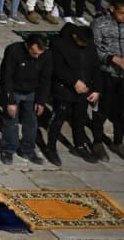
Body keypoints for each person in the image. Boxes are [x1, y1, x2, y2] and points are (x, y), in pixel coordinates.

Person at [91, 0, 124, 162]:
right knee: (102, 109)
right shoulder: (99, 24)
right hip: (106, 74)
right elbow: (94, 49)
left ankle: (118, 142)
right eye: (121, 13)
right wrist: (114, 59)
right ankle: (97, 142)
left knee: (121, 110)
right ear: (112, 9)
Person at [44, 22, 101, 166]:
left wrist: (96, 90)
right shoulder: (59, 45)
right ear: (74, 36)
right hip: (64, 90)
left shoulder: (89, 46)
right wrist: (74, 81)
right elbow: (57, 67)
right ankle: (51, 148)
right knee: (58, 119)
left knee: (80, 119)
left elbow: (95, 68)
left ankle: (79, 145)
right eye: (81, 42)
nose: (83, 45)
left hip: (84, 92)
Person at [0, 33, 51, 165]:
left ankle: (27, 150)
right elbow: (6, 77)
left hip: (32, 92)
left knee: (31, 122)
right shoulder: (13, 50)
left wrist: (41, 101)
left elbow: (45, 79)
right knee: (11, 120)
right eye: (34, 53)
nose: (37, 56)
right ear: (27, 46)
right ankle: (8, 150)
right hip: (14, 90)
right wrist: (10, 101)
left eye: (39, 53)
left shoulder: (46, 54)